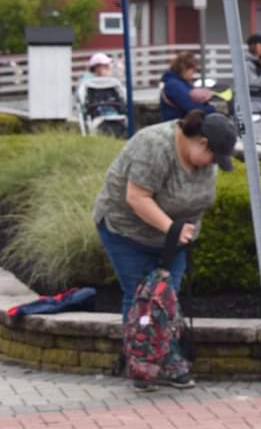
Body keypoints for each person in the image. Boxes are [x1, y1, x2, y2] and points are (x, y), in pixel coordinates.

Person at [91, 110, 236, 387]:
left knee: (168, 296)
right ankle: (142, 362)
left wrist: (182, 233)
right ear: (201, 142)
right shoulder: (155, 144)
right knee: (140, 295)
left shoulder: (206, 160)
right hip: (126, 230)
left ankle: (167, 359)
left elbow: (199, 201)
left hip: (175, 237)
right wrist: (172, 228)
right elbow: (136, 197)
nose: (213, 164)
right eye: (213, 156)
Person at [160, 52, 216, 122]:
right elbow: (192, 109)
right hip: (177, 127)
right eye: (193, 69)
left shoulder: (182, 83)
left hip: (182, 124)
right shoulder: (174, 85)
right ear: (184, 68)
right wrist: (212, 109)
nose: (194, 73)